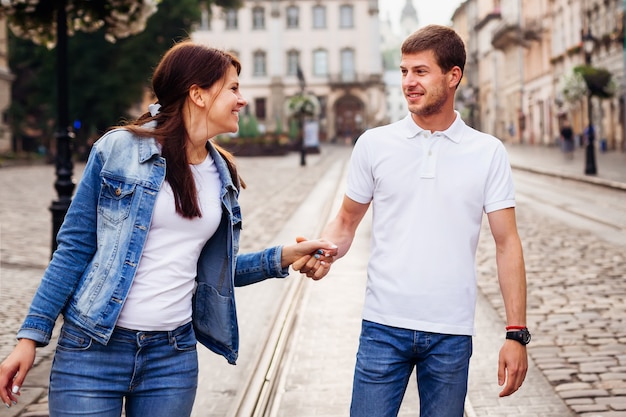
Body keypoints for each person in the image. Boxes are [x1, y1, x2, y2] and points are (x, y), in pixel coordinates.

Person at [0, 41, 336, 417]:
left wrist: (283, 258)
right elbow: (75, 248)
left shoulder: (221, 175)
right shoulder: (118, 149)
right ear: (198, 95)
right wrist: (30, 337)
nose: (242, 99)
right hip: (92, 350)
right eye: (234, 88)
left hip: (171, 358)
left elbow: (209, 272)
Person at [296, 25, 529, 417]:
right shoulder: (374, 144)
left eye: (420, 72)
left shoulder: (487, 152)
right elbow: (346, 221)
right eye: (404, 71)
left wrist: (516, 333)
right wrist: (326, 250)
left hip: (451, 331)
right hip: (382, 326)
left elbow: (507, 243)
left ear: (452, 76)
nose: (408, 82)